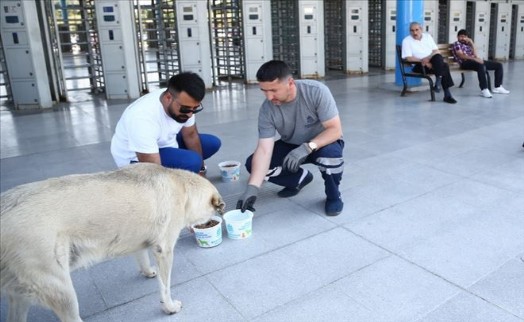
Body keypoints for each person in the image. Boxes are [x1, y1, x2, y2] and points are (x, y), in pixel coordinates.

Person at [236, 60, 345, 216]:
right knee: (252, 164)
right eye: (264, 91)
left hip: (323, 142)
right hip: (291, 144)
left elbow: (335, 130)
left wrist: (308, 147)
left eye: (273, 90)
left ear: (290, 83)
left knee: (331, 158)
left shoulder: (316, 91)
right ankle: (299, 179)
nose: (269, 97)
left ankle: (334, 196)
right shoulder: (267, 109)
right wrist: (253, 188)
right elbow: (264, 150)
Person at [111, 72, 221, 174]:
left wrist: (201, 169)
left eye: (195, 109)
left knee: (212, 143)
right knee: (192, 161)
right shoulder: (142, 117)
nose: (190, 115)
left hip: (163, 143)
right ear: (168, 97)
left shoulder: (183, 101)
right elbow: (152, 170)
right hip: (136, 158)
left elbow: (190, 135)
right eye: (185, 109)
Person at [402, 22, 457, 104]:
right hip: (419, 65)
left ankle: (439, 81)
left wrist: (428, 58)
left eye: (417, 30)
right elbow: (409, 58)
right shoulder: (406, 41)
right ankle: (446, 94)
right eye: (412, 30)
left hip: (431, 61)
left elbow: (436, 51)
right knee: (444, 66)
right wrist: (423, 61)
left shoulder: (427, 37)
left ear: (421, 29)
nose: (415, 33)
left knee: (438, 57)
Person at [452, 29, 510, 98]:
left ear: (467, 37)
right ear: (457, 37)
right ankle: (484, 89)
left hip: (474, 61)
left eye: (464, 36)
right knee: (481, 65)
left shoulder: (468, 44)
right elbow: (461, 55)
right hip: (465, 63)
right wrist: (474, 59)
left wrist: (472, 43)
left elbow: (476, 55)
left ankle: (498, 87)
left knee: (498, 65)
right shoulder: (456, 44)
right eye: (460, 36)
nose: (462, 38)